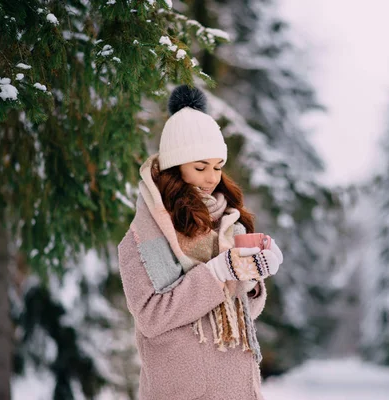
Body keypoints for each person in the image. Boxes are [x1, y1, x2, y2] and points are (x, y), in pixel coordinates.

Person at [118, 85, 284, 400]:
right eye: (200, 167)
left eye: (218, 167)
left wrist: (252, 277)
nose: (212, 178)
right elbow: (152, 317)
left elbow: (246, 310)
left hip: (238, 389)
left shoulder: (228, 225)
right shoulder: (142, 238)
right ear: (175, 168)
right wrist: (218, 272)